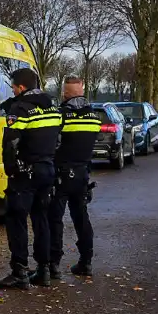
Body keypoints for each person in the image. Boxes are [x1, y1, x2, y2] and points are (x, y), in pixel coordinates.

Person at [0, 68, 62, 290]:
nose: (12, 90)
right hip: (47, 170)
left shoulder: (20, 109)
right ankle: (44, 270)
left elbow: (11, 143)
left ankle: (20, 271)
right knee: (41, 219)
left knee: (16, 220)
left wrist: (11, 169)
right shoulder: (52, 107)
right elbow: (58, 139)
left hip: (25, 173)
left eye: (13, 86)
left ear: (21, 87)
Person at [49, 76, 101, 278]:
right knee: (81, 219)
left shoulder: (60, 116)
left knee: (55, 220)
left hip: (61, 174)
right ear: (82, 90)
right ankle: (86, 262)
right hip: (82, 174)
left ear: (64, 93)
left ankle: (54, 264)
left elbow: (53, 143)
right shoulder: (94, 117)